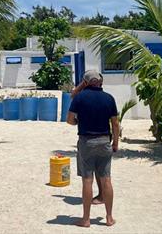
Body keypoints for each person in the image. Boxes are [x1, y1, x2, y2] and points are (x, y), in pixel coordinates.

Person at [66, 70, 119, 228]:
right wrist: (115, 143)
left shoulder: (80, 98)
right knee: (106, 179)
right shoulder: (109, 98)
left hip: (86, 142)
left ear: (86, 82)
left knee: (87, 180)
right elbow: (115, 124)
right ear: (100, 82)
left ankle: (86, 219)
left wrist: (78, 122)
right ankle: (109, 218)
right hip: (104, 141)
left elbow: (69, 120)